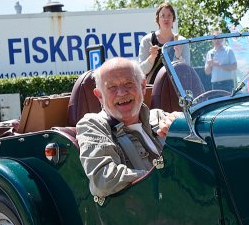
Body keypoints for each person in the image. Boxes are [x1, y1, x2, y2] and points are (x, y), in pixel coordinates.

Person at [76, 57, 178, 199]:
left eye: (129, 83)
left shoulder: (159, 117)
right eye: (112, 87)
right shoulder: (92, 125)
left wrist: (183, 123)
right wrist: (162, 180)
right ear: (99, 96)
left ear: (143, 86)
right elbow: (103, 178)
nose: (122, 92)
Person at [138, 2, 183, 84]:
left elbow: (185, 72)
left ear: (173, 19)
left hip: (175, 89)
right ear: (157, 19)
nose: (166, 19)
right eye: (162, 16)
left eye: (169, 15)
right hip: (152, 89)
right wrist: (152, 57)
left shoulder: (181, 41)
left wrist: (178, 56)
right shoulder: (147, 40)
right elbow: (142, 71)